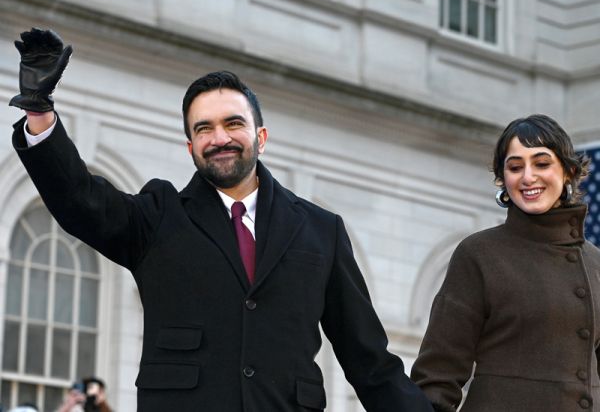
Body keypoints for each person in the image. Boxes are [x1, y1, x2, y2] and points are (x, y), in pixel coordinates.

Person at [9, 28, 434, 412]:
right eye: (204, 129)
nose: (220, 138)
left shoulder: (321, 231)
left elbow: (369, 360)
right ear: (190, 146)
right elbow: (80, 199)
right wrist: (40, 113)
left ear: (261, 138)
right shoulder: (158, 216)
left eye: (233, 123)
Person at [411, 114, 600, 411]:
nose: (527, 177)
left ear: (568, 172)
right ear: (502, 179)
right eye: (515, 167)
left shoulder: (595, 263)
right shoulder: (478, 253)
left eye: (541, 163)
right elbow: (437, 374)